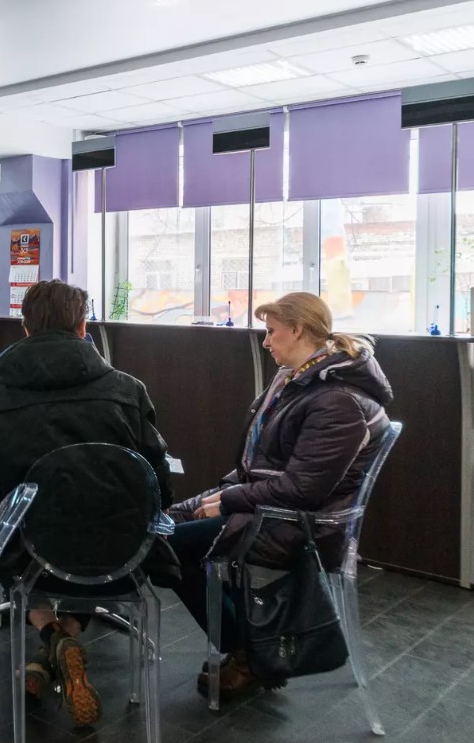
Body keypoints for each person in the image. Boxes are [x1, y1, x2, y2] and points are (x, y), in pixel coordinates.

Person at [165, 291, 392, 701]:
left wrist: (230, 499)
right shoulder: (299, 381)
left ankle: (251, 652)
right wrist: (223, 493)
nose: (266, 342)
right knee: (167, 525)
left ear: (298, 330)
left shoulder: (336, 401)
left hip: (300, 525)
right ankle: (252, 647)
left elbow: (303, 489)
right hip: (273, 508)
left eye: (271, 332)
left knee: (165, 549)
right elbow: (265, 465)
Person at [0, 279, 170, 725]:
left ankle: (51, 637)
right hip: (120, 553)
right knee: (94, 535)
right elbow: (157, 483)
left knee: (9, 539)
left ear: (25, 328)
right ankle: (66, 638)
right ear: (83, 327)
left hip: (31, 556)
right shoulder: (128, 391)